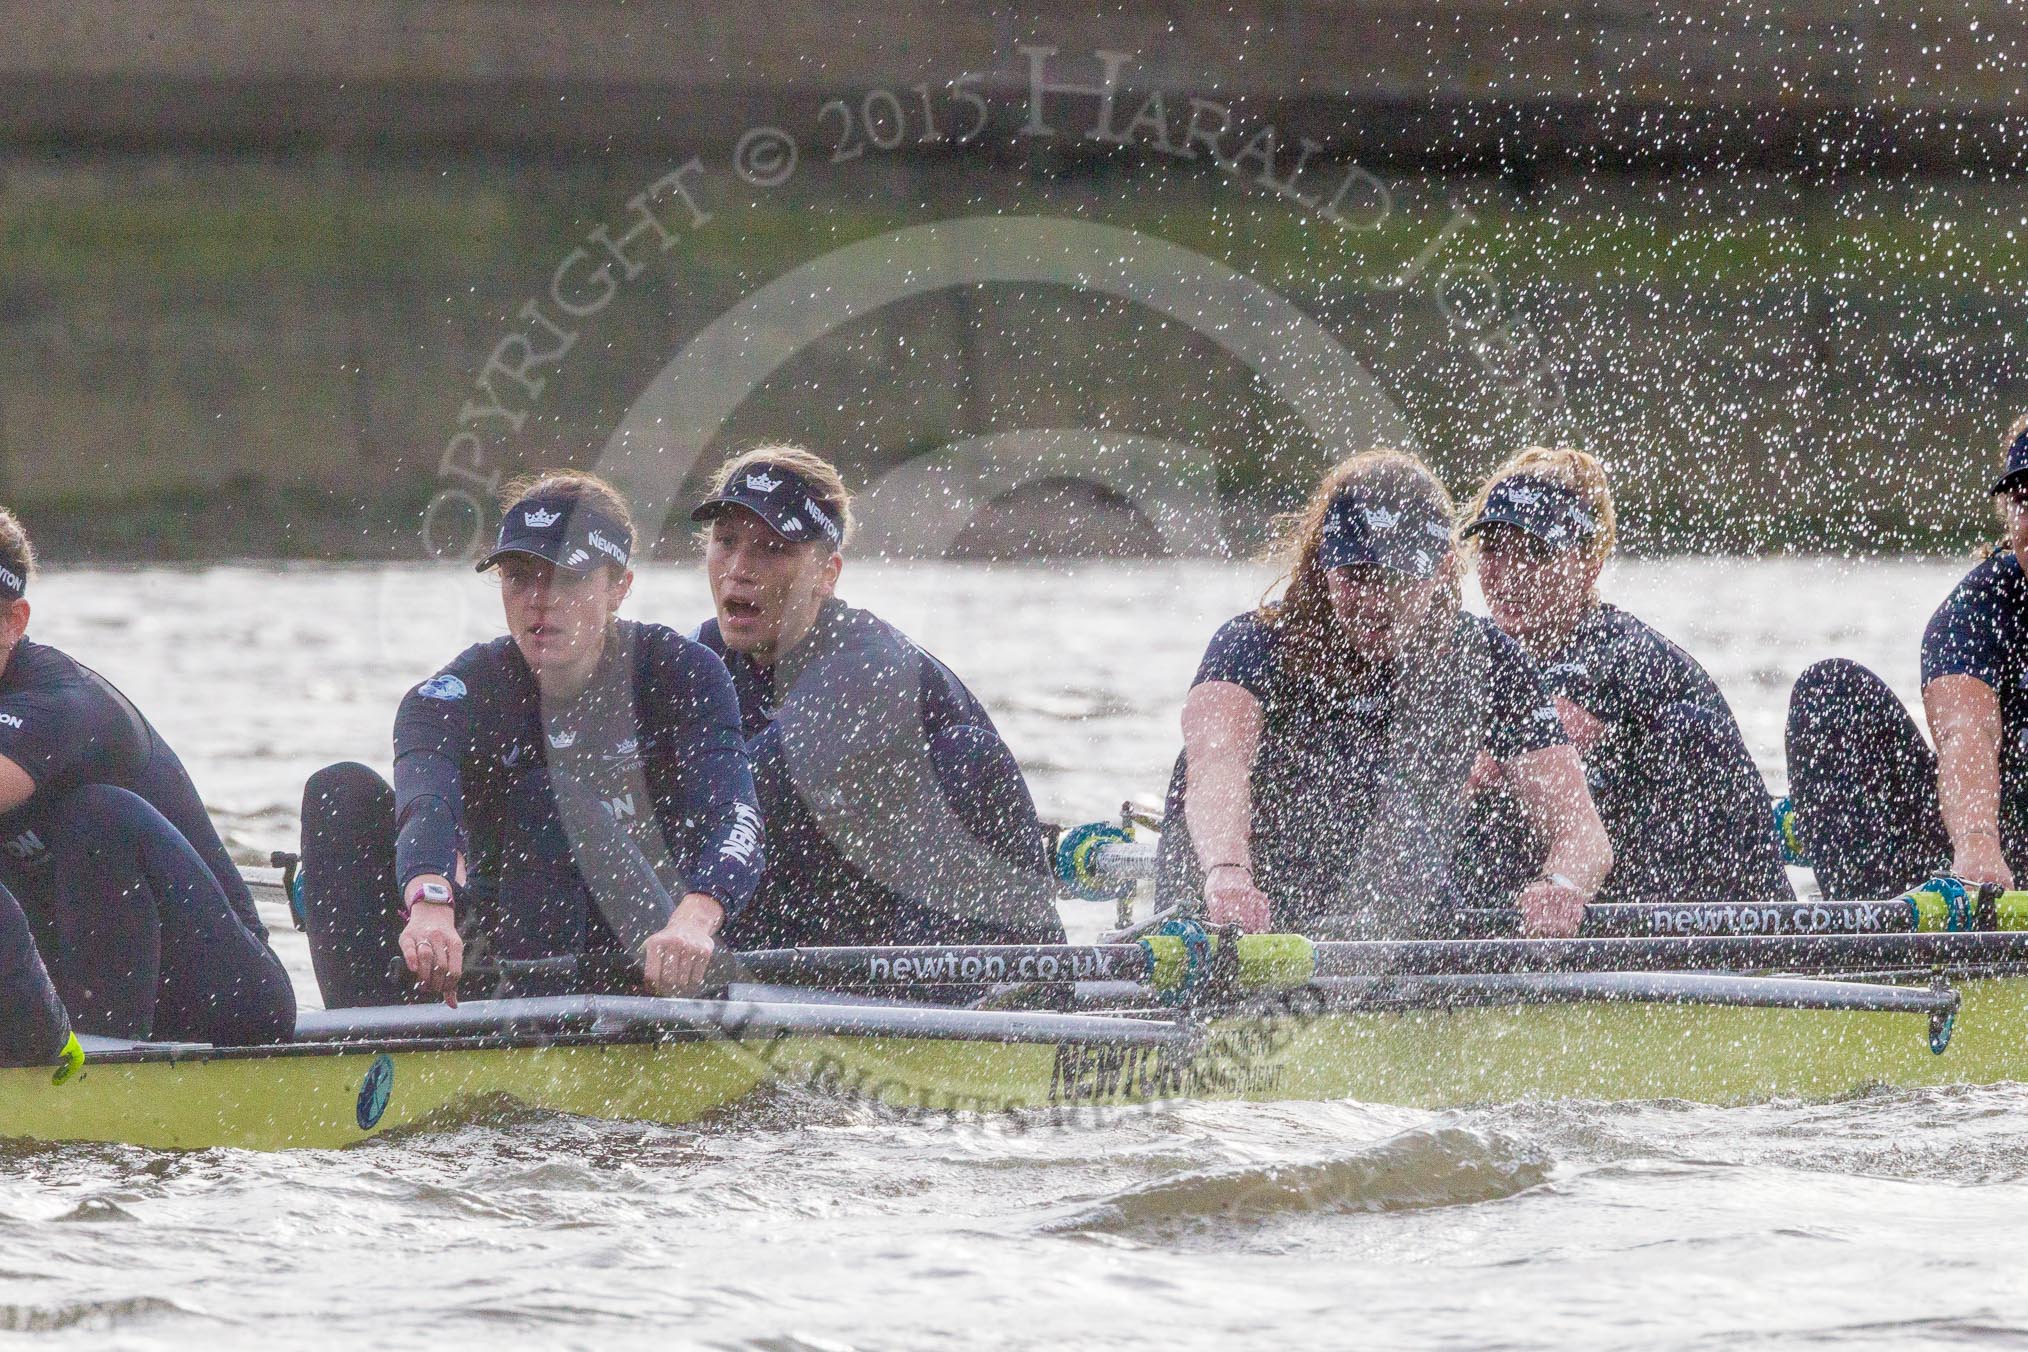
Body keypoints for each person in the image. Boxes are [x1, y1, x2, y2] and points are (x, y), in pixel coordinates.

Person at [300, 471, 763, 1007]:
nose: (540, 601)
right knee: (338, 791)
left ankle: (540, 1046)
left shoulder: (682, 673)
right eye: (520, 577)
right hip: (494, 952)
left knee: (547, 798)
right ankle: (363, 1048)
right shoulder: (453, 695)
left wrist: (695, 921)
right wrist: (429, 899)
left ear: (619, 588)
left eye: (567, 578)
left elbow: (736, 818)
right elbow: (425, 801)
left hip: (647, 954)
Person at [1155, 449, 1613, 938]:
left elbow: (1583, 833)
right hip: (1242, 916)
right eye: (1355, 577)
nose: (1375, 603)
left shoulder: (1485, 659)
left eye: (1396, 579)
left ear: (1440, 571)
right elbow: (1217, 764)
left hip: (1387, 927)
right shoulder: (1252, 645)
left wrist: (1561, 883)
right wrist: (1229, 875)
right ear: (1321, 566)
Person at [689, 445, 1066, 951]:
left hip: (944, 936)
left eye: (772, 548)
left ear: (827, 574)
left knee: (965, 754)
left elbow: (733, 796)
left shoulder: (866, 665)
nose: (738, 568)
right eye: (726, 541)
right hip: (827, 915)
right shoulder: (704, 657)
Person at [0, 509, 294, 1045]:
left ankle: (101, 1085)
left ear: (14, 622)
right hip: (80, 984)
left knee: (98, 816)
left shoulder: (55, 698)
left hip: (226, 997)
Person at [1457, 447, 1792, 907]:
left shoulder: (1620, 649)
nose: (1509, 573)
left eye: (1535, 552)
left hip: (1710, 904)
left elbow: (1510, 755)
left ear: (1590, 564)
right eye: (1493, 549)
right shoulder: (1481, 652)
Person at [1786, 416, 2028, 899]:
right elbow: (1966, 733)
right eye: (2025, 502)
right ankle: (1879, 941)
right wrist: (1978, 846)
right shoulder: (1977, 610)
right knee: (1829, 692)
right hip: (2000, 851)